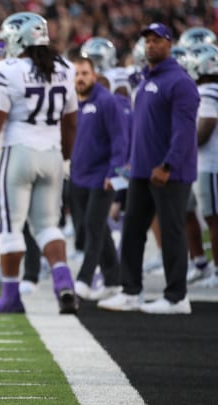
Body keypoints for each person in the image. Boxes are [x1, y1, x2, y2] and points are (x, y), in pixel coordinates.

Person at [0, 12, 80, 315]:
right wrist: (67, 159)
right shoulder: (66, 68)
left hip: (17, 152)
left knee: (8, 227)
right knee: (47, 227)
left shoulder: (8, 69)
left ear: (18, 38)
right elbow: (70, 124)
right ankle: (64, 282)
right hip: (52, 154)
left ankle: (10, 297)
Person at [98, 23, 199, 314]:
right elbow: (141, 127)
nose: (151, 45)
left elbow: (184, 131)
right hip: (141, 171)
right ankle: (131, 291)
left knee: (172, 232)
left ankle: (177, 297)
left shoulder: (180, 82)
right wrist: (132, 161)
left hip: (169, 173)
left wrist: (168, 164)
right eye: (148, 41)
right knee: (132, 231)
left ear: (170, 44)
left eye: (157, 40)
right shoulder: (146, 79)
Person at [69, 57, 126, 301]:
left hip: (102, 178)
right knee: (93, 229)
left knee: (94, 226)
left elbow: (120, 140)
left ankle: (83, 279)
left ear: (94, 75)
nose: (80, 78)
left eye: (84, 73)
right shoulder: (71, 102)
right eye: (76, 74)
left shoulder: (106, 101)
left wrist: (115, 173)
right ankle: (113, 280)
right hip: (78, 176)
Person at [190, 43, 218, 288]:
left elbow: (206, 127)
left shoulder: (209, 90)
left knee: (213, 219)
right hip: (208, 164)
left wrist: (185, 142)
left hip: (210, 164)